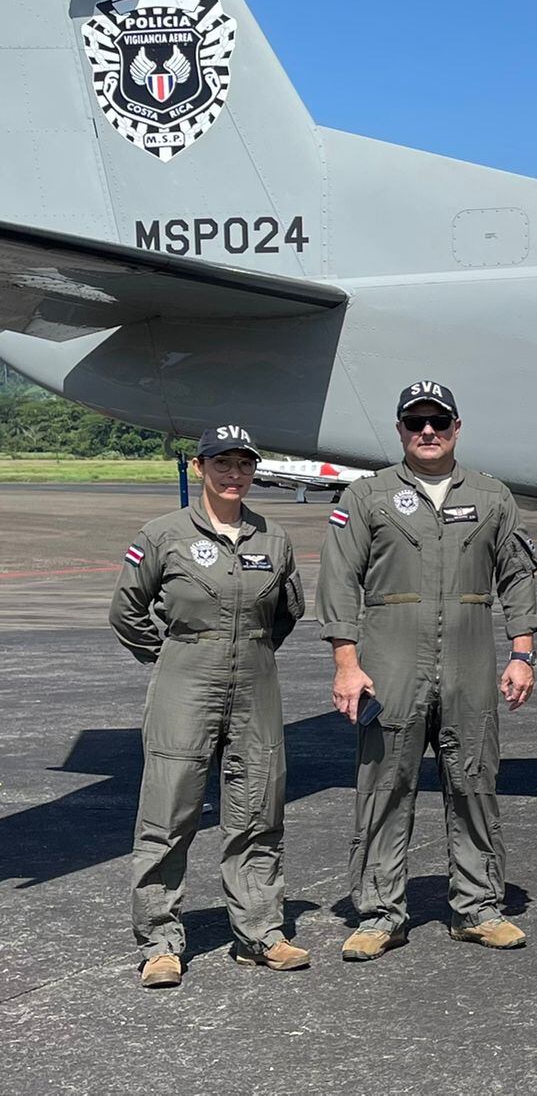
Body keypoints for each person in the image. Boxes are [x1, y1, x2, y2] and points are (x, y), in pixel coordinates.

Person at [318, 381, 537, 961]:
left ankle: (478, 907)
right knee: (385, 786)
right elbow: (339, 579)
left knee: (473, 781)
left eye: (438, 422)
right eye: (415, 422)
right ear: (399, 430)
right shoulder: (367, 496)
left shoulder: (493, 497)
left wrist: (522, 652)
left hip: (470, 658)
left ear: (456, 427)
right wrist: (346, 662)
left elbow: (516, 575)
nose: (427, 432)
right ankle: (379, 911)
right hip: (390, 659)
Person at [109, 423, 308, 987]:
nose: (234, 474)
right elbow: (127, 611)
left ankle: (260, 932)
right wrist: (172, 656)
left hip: (256, 683)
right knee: (168, 815)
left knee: (258, 812)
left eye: (244, 464)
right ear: (200, 467)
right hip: (184, 683)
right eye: (223, 463)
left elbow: (287, 612)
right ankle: (159, 942)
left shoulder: (274, 539)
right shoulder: (162, 534)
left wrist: (250, 652)